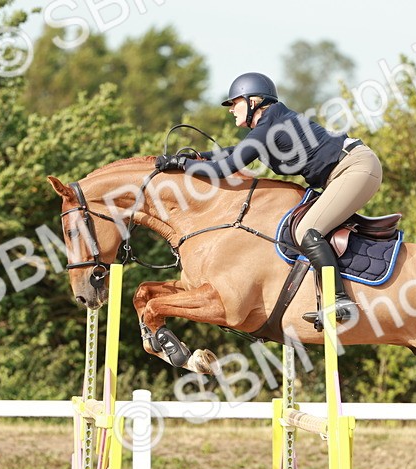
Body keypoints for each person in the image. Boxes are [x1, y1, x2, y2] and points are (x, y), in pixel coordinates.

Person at [155, 72, 383, 323]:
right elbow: (234, 153)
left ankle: (340, 301)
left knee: (307, 230)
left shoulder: (271, 124)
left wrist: (183, 164)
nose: (231, 109)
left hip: (354, 167)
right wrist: (199, 156)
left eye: (235, 103)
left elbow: (227, 167)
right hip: (345, 170)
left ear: (254, 101)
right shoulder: (270, 123)